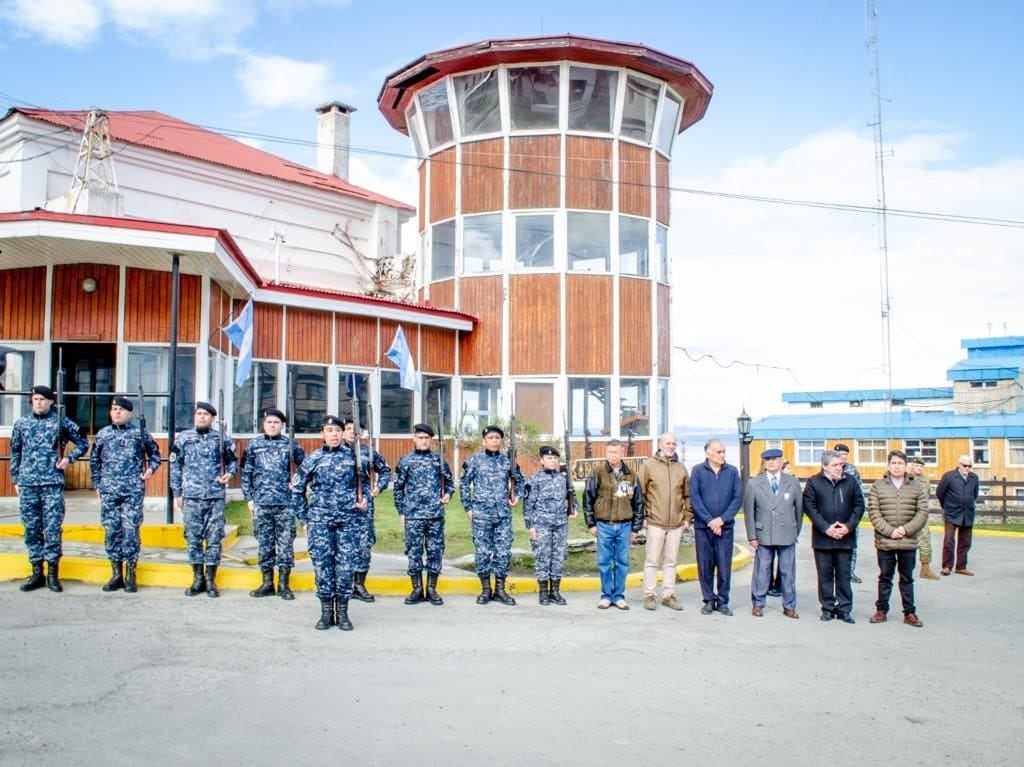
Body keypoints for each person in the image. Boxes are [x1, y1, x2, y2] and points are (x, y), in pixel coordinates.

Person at [9, 384, 89, 592]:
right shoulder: (22, 424)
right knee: (31, 529)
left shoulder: (60, 422)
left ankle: (53, 573)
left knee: (52, 529)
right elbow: (16, 451)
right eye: (35, 399)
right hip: (28, 483)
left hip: (52, 483)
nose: (39, 402)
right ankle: (37, 572)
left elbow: (83, 442)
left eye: (43, 399)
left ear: (51, 401)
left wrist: (68, 459)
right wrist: (15, 478)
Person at [291, 414, 365, 631]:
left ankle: (342, 613)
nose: (334, 434)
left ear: (343, 433)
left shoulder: (354, 458)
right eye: (329, 431)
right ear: (322, 433)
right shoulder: (312, 459)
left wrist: (364, 501)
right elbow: (297, 490)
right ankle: (325, 613)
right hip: (320, 522)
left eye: (337, 431)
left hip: (347, 522)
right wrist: (305, 519)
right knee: (323, 567)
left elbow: (366, 487)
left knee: (345, 567)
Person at [89, 396, 161, 593]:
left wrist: (150, 470)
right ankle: (116, 574)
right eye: (114, 409)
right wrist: (97, 483)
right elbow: (94, 461)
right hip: (109, 491)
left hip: (132, 491)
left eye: (121, 409)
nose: (117, 412)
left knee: (130, 532)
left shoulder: (139, 434)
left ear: (130, 413)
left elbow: (155, 455)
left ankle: (130, 574)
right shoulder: (103, 434)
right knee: (112, 532)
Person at [169, 401, 237, 598]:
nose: (202, 417)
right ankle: (197, 578)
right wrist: (177, 493)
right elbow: (175, 466)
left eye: (206, 414)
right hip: (191, 496)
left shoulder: (221, 438)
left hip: (215, 496)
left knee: (214, 539)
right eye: (199, 414)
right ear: (195, 416)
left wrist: (229, 475)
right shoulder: (184, 438)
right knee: (193, 538)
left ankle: (210, 579)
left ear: (213, 418)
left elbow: (233, 461)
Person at [240, 408, 306, 600]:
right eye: (269, 422)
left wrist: (296, 481)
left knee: (285, 545)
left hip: (286, 503)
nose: (272, 425)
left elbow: (305, 470)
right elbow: (246, 474)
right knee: (264, 543)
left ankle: (284, 585)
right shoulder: (254, 445)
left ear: (282, 425)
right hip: (261, 502)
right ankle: (267, 582)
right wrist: (249, 499)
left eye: (276, 423)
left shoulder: (291, 445)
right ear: (264, 424)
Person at [460, 425, 525, 606]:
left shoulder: (508, 462)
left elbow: (520, 482)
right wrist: (468, 508)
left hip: (503, 515)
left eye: (497, 438)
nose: (495, 440)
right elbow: (464, 484)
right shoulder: (475, 460)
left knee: (503, 553)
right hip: (481, 514)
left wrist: (516, 497)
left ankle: (500, 589)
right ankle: (485, 589)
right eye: (491, 437)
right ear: (484, 441)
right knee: (482, 553)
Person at [392, 423, 453, 606]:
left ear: (431, 440)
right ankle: (417, 588)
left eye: (427, 438)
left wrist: (448, 494)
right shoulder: (406, 461)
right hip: (414, 515)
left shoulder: (439, 461)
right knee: (414, 551)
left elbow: (450, 484)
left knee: (435, 551)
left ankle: (432, 588)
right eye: (420, 437)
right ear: (414, 439)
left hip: (435, 515)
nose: (424, 441)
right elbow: (398, 488)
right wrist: (402, 511)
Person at [866, 450, 929, 628]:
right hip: (886, 541)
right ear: (888, 465)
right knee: (885, 577)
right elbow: (874, 511)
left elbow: (922, 512)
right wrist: (890, 531)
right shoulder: (878, 486)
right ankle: (881, 610)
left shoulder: (916, 486)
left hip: (907, 541)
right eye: (893, 463)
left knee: (907, 578)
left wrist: (905, 529)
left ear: (905, 466)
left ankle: (909, 612)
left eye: (900, 463)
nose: (896, 466)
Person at [803, 450, 865, 623]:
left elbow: (859, 506)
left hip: (845, 537)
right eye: (835, 465)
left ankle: (844, 609)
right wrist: (826, 528)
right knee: (825, 576)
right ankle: (828, 608)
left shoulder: (850, 482)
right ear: (824, 466)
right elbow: (810, 507)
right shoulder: (814, 483)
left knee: (844, 575)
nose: (839, 468)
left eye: (841, 465)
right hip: (823, 538)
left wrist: (848, 526)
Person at [583, 439, 643, 610]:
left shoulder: (631, 474)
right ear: (606, 453)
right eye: (609, 452)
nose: (612, 455)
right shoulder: (598, 472)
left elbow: (638, 502)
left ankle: (619, 596)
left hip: (625, 525)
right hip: (604, 525)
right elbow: (588, 499)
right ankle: (606, 596)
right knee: (604, 562)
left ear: (621, 453)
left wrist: (636, 528)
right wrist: (591, 524)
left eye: (615, 452)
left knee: (622, 562)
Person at [743, 447, 802, 619]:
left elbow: (799, 511)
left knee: (787, 571)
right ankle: (758, 603)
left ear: (781, 461)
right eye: (768, 460)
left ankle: (789, 605)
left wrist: (794, 531)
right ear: (764, 462)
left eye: (775, 459)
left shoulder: (792, 482)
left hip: (786, 533)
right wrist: (752, 535)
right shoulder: (754, 483)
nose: (771, 463)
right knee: (762, 570)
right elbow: (749, 512)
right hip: (764, 533)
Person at [637, 432, 691, 611]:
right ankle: (649, 595)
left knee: (671, 561)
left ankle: (668, 595)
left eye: (674, 444)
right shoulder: (649, 465)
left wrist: (687, 517)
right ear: (660, 444)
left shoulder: (681, 468)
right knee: (652, 560)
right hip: (655, 522)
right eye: (668, 443)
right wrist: (644, 516)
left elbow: (687, 495)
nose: (671, 446)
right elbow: (640, 493)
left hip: (676, 523)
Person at [689, 439, 743, 616]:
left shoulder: (732, 472)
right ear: (708, 453)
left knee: (724, 565)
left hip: (725, 528)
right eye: (718, 452)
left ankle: (723, 601)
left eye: (723, 452)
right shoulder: (697, 471)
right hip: (703, 528)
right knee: (705, 565)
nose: (722, 455)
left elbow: (737, 499)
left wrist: (722, 520)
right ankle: (708, 600)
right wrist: (710, 521)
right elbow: (695, 499)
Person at [343, 419, 391, 603]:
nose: (351, 433)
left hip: (363, 504)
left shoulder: (368, 453)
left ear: (362, 433)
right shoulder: (335, 453)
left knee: (363, 544)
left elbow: (385, 470)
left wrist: (379, 487)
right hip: (340, 506)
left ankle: (359, 585)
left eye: (356, 430)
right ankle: (344, 584)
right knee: (342, 544)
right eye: (347, 429)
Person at [523, 445, 577, 606]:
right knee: (543, 557)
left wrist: (574, 509)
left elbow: (572, 496)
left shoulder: (563, 478)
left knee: (558, 557)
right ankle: (543, 592)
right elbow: (528, 505)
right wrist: (530, 526)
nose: (553, 461)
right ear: (542, 460)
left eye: (555, 458)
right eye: (549, 458)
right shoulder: (534, 480)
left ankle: (555, 591)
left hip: (560, 524)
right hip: (542, 525)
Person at [935, 455, 980, 576]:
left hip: (967, 513)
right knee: (949, 540)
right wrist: (947, 506)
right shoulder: (949, 476)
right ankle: (946, 566)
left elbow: (975, 494)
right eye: (965, 466)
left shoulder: (974, 478)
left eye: (970, 466)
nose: (967, 468)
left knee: (965, 542)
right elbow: (940, 493)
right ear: (959, 465)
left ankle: (961, 566)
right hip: (951, 513)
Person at [834, 443, 864, 583]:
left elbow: (860, 493)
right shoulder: (829, 469)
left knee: (852, 545)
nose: (843, 457)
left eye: (845, 455)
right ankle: (835, 572)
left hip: (850, 515)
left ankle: (850, 572)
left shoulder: (852, 470)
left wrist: (857, 514)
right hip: (833, 515)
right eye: (840, 454)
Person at [909, 457, 939, 580]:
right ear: (912, 466)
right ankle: (904, 567)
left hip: (921, 513)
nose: (919, 468)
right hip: (908, 513)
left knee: (925, 539)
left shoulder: (925, 480)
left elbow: (928, 495)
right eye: (916, 466)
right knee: (906, 541)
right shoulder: (907, 478)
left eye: (921, 466)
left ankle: (925, 568)